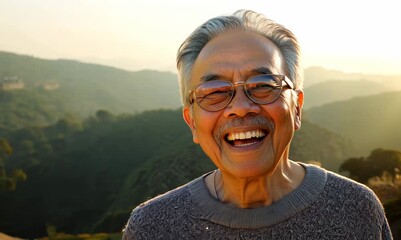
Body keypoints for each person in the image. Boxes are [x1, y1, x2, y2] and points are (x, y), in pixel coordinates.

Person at [122, 10, 392, 239]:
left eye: (263, 85)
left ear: (296, 108)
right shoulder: (153, 226)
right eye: (215, 91)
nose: (240, 107)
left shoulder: (355, 210)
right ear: (192, 121)